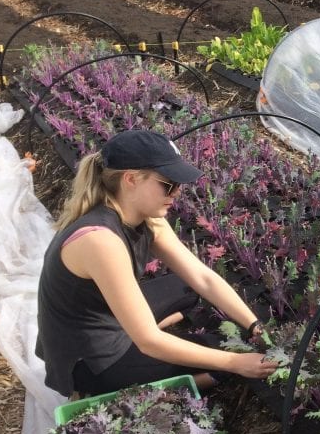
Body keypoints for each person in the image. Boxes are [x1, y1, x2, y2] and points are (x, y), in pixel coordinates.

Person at [36, 129, 279, 397]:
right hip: (91, 361)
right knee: (226, 351)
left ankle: (150, 335)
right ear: (131, 179)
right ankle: (182, 383)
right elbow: (149, 341)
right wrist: (234, 362)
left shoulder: (146, 217)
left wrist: (254, 325)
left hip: (107, 320)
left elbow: (202, 278)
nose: (177, 192)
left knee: (186, 287)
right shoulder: (100, 240)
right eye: (168, 184)